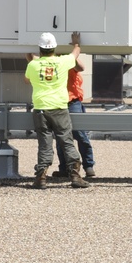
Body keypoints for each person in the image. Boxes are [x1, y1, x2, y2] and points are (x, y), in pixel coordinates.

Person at [25, 31, 89, 189]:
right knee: (66, 142)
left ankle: (41, 178)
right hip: (59, 108)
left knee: (44, 144)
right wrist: (75, 43)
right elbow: (76, 54)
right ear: (54, 48)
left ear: (40, 49)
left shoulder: (33, 65)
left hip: (40, 109)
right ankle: (75, 176)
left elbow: (27, 80)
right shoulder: (63, 62)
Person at [51, 56, 95, 179]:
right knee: (61, 137)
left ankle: (88, 165)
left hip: (72, 101)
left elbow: (80, 67)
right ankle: (65, 168)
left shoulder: (68, 59)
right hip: (58, 101)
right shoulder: (51, 60)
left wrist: (73, 52)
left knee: (80, 134)